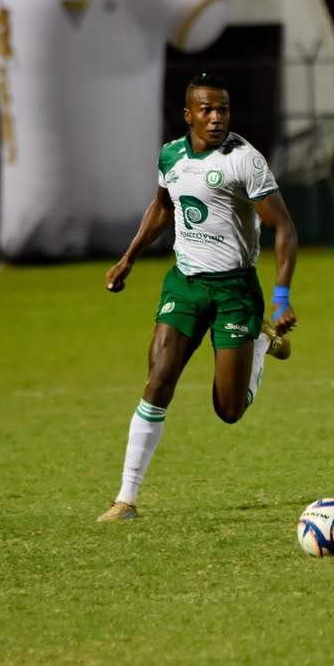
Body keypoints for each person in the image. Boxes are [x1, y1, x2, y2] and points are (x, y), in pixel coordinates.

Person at [97, 72, 298, 522]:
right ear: (188, 115)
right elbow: (163, 205)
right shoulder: (171, 155)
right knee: (158, 377)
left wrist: (281, 296)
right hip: (185, 283)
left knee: (227, 410)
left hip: (234, 290)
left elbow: (284, 226)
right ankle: (125, 499)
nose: (215, 118)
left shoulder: (244, 159)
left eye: (222, 109)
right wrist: (129, 257)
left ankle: (260, 343)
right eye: (206, 110)